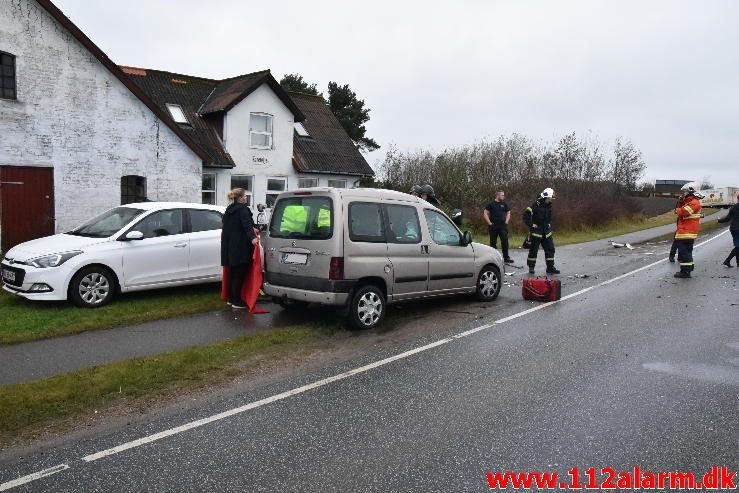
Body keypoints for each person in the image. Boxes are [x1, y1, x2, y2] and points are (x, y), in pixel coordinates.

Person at [221, 188, 259, 309]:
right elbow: (247, 225)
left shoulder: (229, 209)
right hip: (241, 247)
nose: (246, 198)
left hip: (229, 247)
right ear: (239, 197)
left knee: (232, 274)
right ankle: (237, 301)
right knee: (239, 274)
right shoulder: (243, 210)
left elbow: (225, 227)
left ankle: (231, 299)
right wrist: (253, 238)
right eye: (244, 196)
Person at [523, 187, 560, 275]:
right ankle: (531, 267)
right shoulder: (535, 205)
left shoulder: (549, 206)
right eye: (550, 198)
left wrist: (550, 223)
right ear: (545, 197)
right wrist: (531, 224)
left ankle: (550, 268)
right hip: (536, 232)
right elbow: (526, 216)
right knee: (533, 250)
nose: (551, 200)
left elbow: (550, 217)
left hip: (546, 232)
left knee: (550, 249)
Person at [673, 182, 704, 278]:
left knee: (684, 252)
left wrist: (678, 209)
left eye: (685, 191)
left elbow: (684, 212)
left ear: (691, 191)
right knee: (686, 252)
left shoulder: (694, 202)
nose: (684, 193)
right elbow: (684, 208)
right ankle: (687, 269)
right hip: (686, 231)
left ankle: (685, 272)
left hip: (687, 232)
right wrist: (682, 201)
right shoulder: (690, 201)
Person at [484, 190, 514, 264]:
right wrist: (489, 223)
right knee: (493, 242)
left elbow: (508, 212)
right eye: (502, 195)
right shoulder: (491, 204)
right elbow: (485, 213)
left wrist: (506, 221)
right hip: (493, 225)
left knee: (505, 241)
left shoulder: (504, 204)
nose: (504, 196)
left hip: (502, 225)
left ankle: (506, 258)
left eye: (504, 195)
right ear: (497, 195)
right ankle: (493, 258)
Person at [718, 193, 739, 267]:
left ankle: (737, 263)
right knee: (738, 246)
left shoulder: (733, 207)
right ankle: (727, 260)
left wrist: (719, 220)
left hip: (733, 228)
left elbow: (727, 218)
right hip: (737, 229)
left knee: (737, 246)